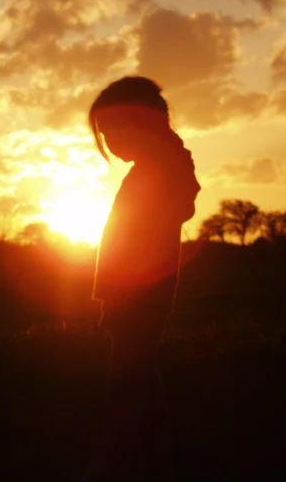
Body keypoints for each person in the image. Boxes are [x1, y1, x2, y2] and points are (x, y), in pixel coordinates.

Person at [84, 76, 201, 481]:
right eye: (103, 135)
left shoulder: (167, 161)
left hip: (141, 298)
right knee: (143, 391)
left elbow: (182, 204)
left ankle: (105, 470)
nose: (110, 143)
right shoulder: (156, 164)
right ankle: (159, 467)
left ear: (141, 120)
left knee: (128, 393)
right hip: (129, 298)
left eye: (112, 130)